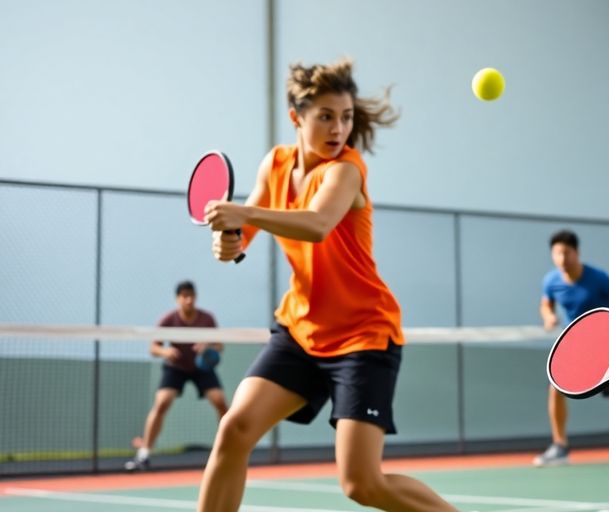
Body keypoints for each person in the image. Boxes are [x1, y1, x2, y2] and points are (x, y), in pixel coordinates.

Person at [197, 58, 457, 512]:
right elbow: (245, 236)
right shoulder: (275, 164)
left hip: (363, 336)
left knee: (362, 484)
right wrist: (230, 240)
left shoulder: (346, 170)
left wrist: (242, 214)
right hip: (300, 331)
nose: (339, 128)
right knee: (234, 428)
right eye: (326, 117)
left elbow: (316, 224)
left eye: (347, 116)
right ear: (297, 117)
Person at [534, 229, 609, 467]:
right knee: (555, 387)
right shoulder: (551, 281)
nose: (562, 258)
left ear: (576, 253)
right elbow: (545, 304)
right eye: (557, 253)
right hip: (576, 345)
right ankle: (560, 446)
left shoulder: (597, 277)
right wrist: (548, 316)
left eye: (566, 253)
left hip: (605, 346)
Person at [125, 280, 227, 471]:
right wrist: (166, 352)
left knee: (220, 401)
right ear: (177, 299)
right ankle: (144, 454)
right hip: (175, 367)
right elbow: (153, 347)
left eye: (191, 296)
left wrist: (207, 345)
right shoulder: (168, 319)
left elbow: (220, 345)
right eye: (184, 296)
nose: (188, 300)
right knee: (162, 402)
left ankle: (229, 450)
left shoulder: (207, 319)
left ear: (195, 297)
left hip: (201, 367)